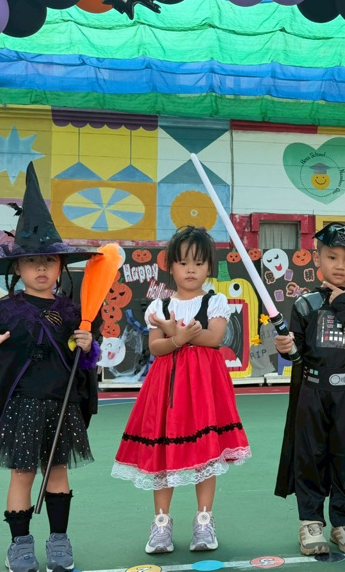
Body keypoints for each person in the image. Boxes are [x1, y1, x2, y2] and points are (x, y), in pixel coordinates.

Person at [0, 163, 101, 572]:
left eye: (49, 261)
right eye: (32, 262)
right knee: (22, 475)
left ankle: (59, 541)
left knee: (58, 473)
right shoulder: (5, 311)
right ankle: (19, 545)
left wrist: (89, 347)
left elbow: (84, 364)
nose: (41, 269)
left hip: (60, 406)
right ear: (17, 268)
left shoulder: (73, 312)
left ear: (60, 266)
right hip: (21, 408)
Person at [112, 226, 251, 555]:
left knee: (206, 452)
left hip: (204, 388)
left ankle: (204, 520)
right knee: (163, 453)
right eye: (184, 262)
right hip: (167, 389)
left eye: (199, 263)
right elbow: (156, 348)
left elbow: (215, 338)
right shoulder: (159, 307)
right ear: (171, 266)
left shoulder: (215, 301)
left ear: (209, 268)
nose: (191, 270)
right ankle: (161, 523)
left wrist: (179, 333)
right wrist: (177, 338)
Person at [274, 222, 345, 556]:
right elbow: (297, 353)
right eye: (332, 257)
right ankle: (310, 522)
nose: (339, 265)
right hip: (311, 392)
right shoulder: (305, 304)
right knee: (310, 456)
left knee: (343, 457)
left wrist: (343, 304)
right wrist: (286, 347)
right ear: (317, 258)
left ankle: (343, 522)